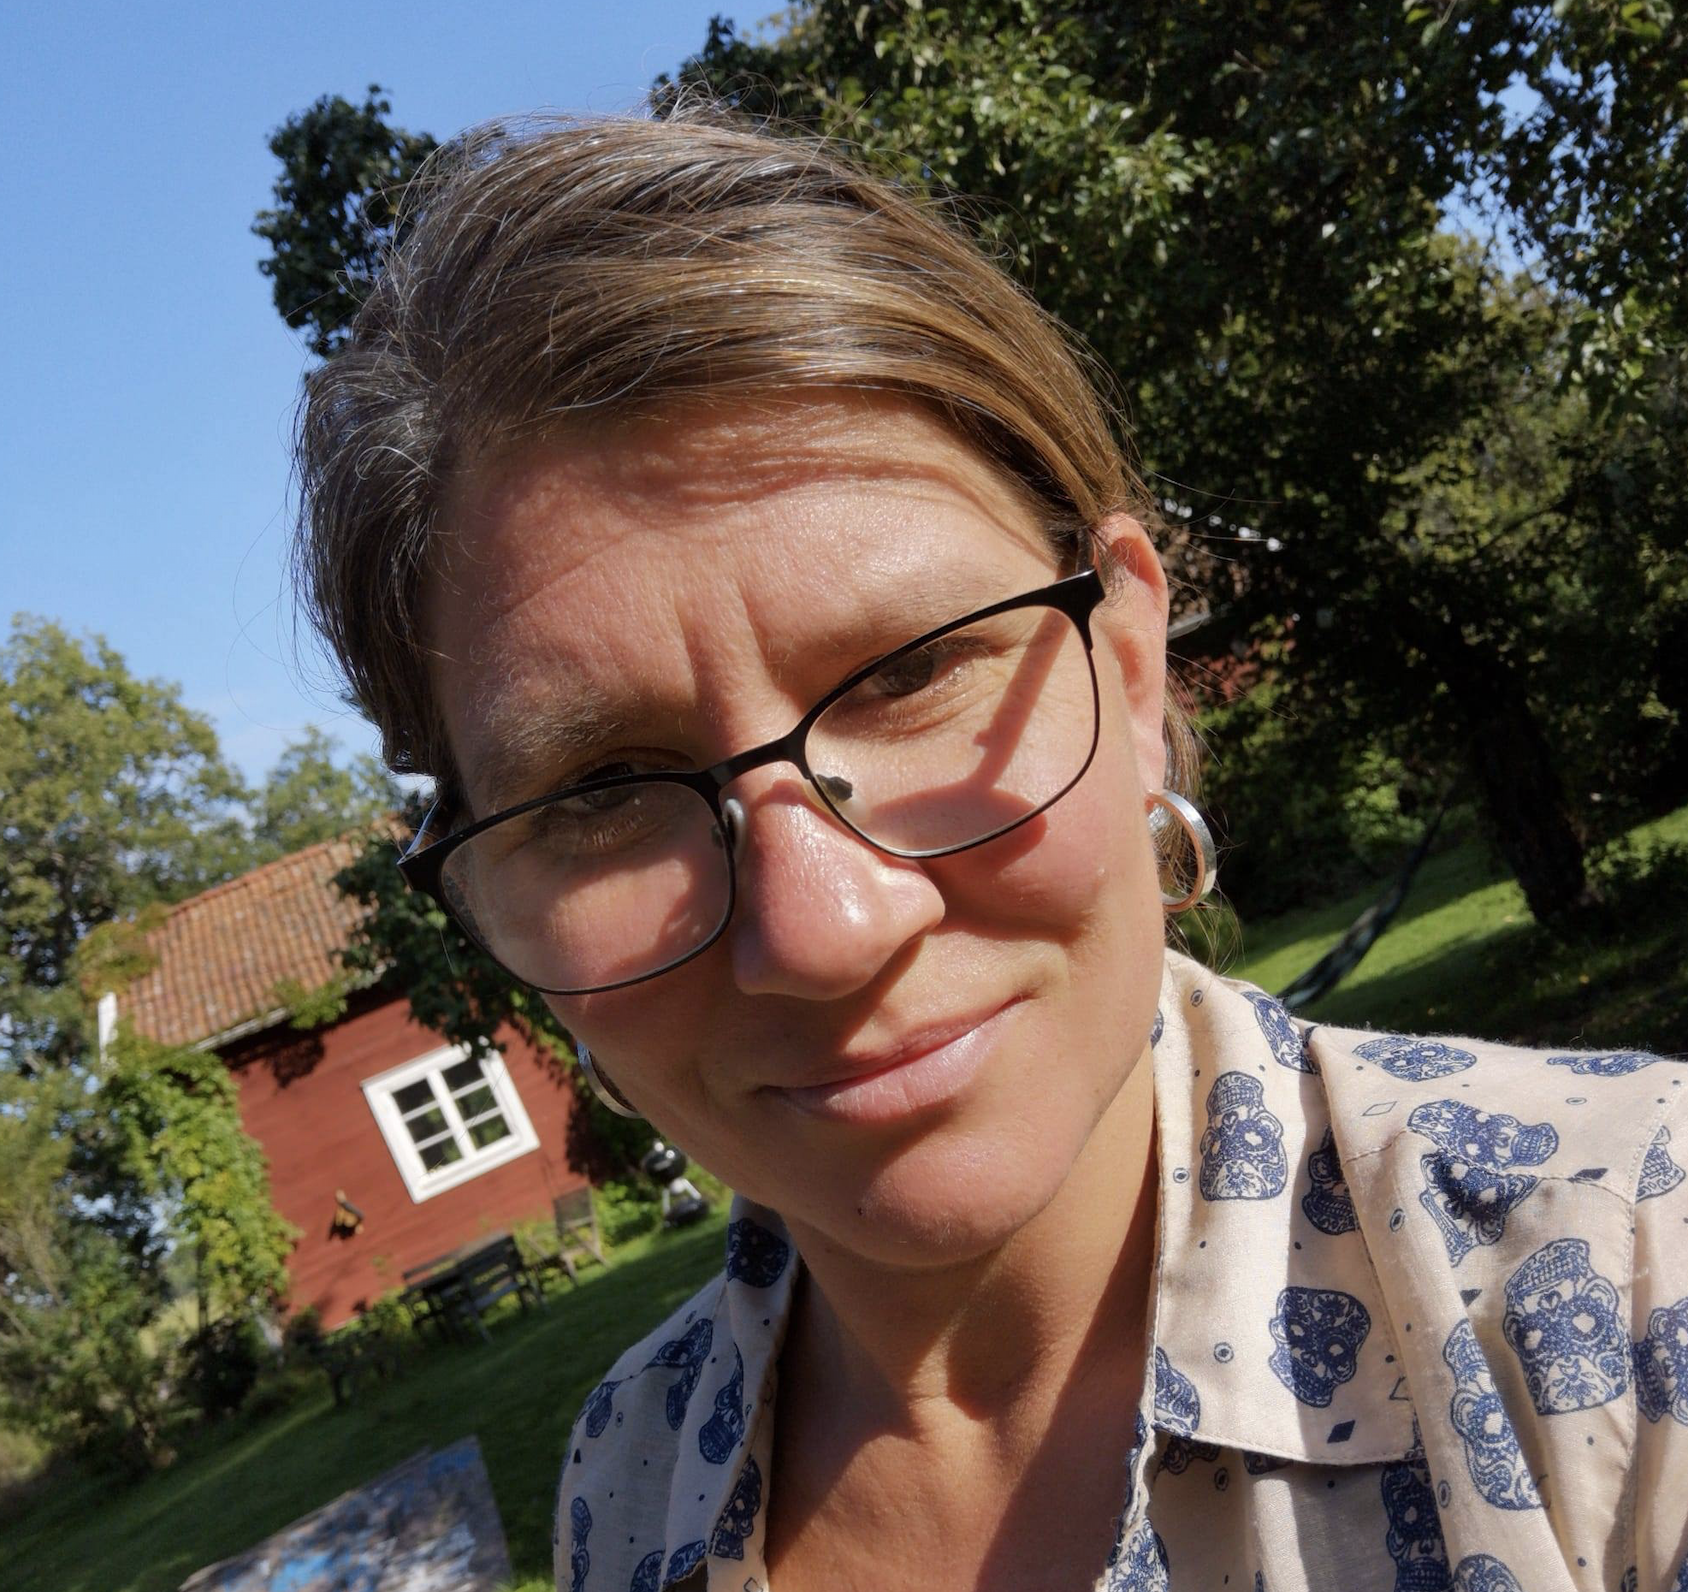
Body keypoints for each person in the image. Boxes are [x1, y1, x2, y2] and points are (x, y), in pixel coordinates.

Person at [293, 106, 1688, 1592]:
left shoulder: (1630, 1273)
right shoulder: (628, 1478)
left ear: (1129, 665)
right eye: (601, 792)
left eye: (910, 672)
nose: (823, 928)